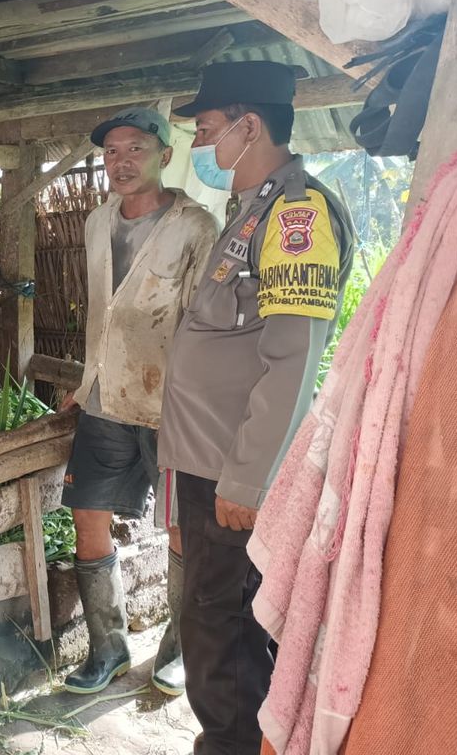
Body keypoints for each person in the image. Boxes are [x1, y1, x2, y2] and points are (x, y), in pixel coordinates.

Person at [157, 61, 356, 754]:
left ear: (250, 125)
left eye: (207, 131)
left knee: (223, 639)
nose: (202, 149)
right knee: (213, 629)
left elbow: (292, 356)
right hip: (206, 465)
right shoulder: (248, 212)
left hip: (235, 475)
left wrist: (248, 478)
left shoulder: (296, 214)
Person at [61, 107, 219, 697]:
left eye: (135, 149)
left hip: (170, 406)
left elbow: (206, 321)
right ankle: (108, 649)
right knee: (86, 518)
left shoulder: (197, 226)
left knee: (181, 529)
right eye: (111, 153)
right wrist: (84, 385)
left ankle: (178, 651)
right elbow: (101, 314)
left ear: (164, 156)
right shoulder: (96, 221)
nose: (121, 162)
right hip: (102, 402)